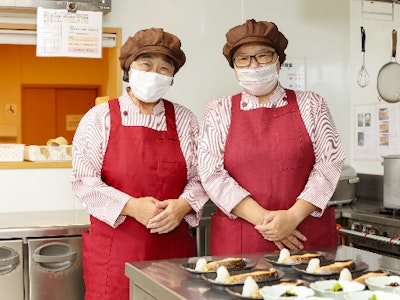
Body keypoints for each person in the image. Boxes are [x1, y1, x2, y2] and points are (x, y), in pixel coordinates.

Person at [71, 27, 209, 299]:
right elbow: (83, 182)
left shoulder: (185, 119)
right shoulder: (99, 118)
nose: (154, 74)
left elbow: (202, 176)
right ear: (129, 69)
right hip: (114, 251)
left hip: (171, 250)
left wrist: (183, 206)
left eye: (163, 68)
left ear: (172, 77)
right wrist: (132, 206)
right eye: (146, 65)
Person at [197, 19, 345, 255]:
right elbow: (211, 173)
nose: (253, 65)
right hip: (242, 239)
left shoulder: (312, 104)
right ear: (235, 68)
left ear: (278, 61)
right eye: (243, 58)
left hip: (306, 235)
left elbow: (330, 163)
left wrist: (293, 217)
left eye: (263, 55)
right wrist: (269, 222)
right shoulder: (218, 109)